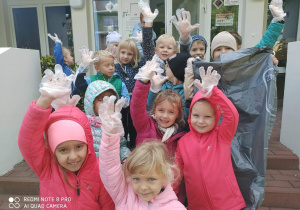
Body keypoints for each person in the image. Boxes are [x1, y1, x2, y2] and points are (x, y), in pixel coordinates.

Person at [18, 67, 114, 209]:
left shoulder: (98, 169)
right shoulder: (46, 167)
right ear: (52, 150)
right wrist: (44, 100)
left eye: (79, 146)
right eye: (63, 150)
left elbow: (108, 206)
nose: (73, 156)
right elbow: (28, 141)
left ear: (88, 143)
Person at [175, 67, 246, 210]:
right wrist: (168, 196)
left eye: (207, 116)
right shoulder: (183, 142)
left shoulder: (222, 136)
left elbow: (232, 115)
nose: (201, 121)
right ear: (190, 116)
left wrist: (214, 94)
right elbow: (176, 172)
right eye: (196, 116)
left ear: (216, 118)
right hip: (197, 204)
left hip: (227, 204)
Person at [97, 95, 186, 209]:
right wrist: (110, 134)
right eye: (136, 179)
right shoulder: (124, 196)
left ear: (164, 177)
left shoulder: (175, 208)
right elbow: (109, 168)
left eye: (151, 179)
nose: (143, 187)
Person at [131, 60, 186, 157]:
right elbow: (137, 107)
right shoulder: (145, 125)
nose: (165, 116)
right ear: (154, 110)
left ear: (178, 114)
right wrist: (142, 82)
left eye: (171, 112)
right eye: (161, 110)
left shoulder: (180, 136)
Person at [84, 80, 131, 162]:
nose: (108, 102)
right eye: (102, 99)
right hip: (94, 169)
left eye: (111, 99)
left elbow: (121, 145)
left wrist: (126, 158)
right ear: (91, 104)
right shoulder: (84, 126)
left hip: (114, 168)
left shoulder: (115, 123)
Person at [147, 53, 191, 122]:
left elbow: (185, 117)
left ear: (175, 71)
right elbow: (150, 106)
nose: (165, 68)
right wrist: (154, 90)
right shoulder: (163, 84)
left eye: (167, 66)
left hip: (177, 130)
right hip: (159, 125)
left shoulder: (185, 92)